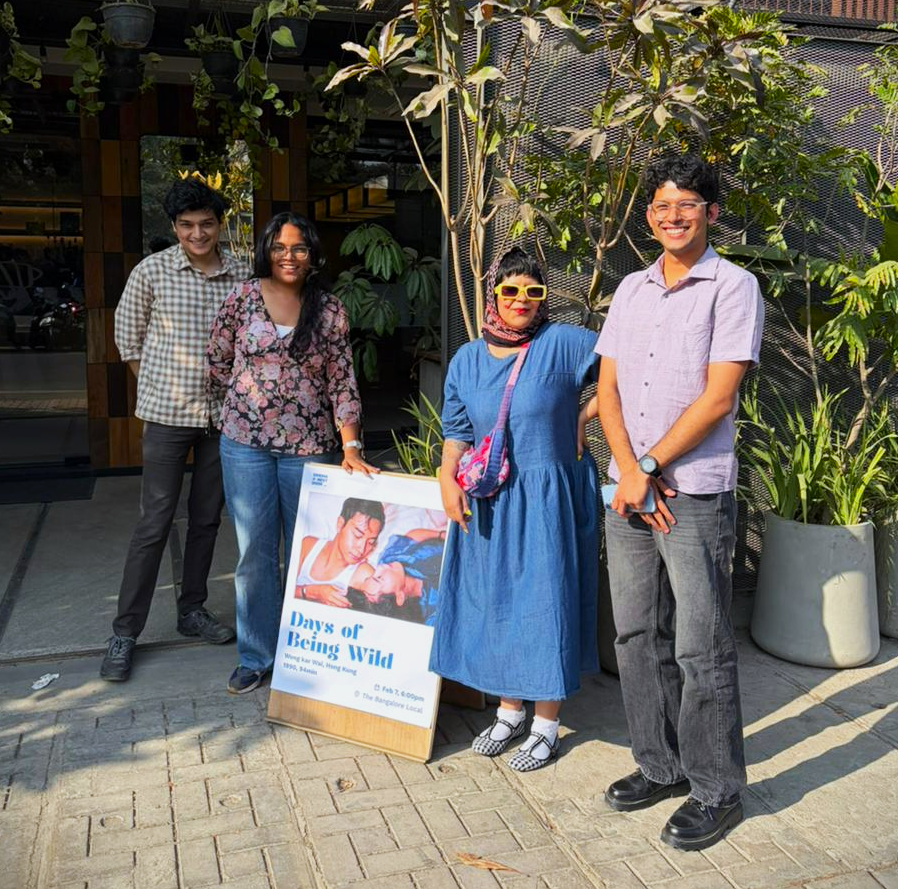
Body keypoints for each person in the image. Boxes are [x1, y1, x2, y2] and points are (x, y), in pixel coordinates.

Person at [583, 153, 763, 850]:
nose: (672, 215)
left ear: (711, 213)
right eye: (661, 205)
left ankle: (717, 788)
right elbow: (609, 389)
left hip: (694, 493)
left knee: (701, 642)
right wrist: (630, 470)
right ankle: (659, 764)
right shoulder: (630, 288)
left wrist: (653, 465)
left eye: (687, 204)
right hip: (632, 488)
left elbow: (719, 396)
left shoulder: (733, 287)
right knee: (634, 633)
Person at [431, 246, 599, 772]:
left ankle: (546, 722)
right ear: (492, 296)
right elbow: (457, 429)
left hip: (548, 497)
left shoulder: (566, 344)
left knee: (546, 603)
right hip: (491, 498)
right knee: (498, 600)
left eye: (534, 291)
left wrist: (586, 412)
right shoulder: (466, 358)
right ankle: (509, 712)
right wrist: (445, 475)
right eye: (510, 291)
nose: (522, 300)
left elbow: (630, 363)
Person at [208, 212, 377, 695]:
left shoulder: (329, 310)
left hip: (309, 449)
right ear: (266, 250)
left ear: (312, 254)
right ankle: (257, 656)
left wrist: (350, 445)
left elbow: (343, 382)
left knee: (311, 553)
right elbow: (218, 361)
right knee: (255, 555)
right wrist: (248, 401)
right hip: (245, 447)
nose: (289, 255)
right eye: (279, 247)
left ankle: (308, 656)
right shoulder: (241, 299)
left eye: (298, 247)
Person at [100, 178, 251, 682]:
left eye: (206, 223)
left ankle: (192, 611)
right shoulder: (153, 271)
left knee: (207, 518)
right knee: (154, 521)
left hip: (222, 419)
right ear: (174, 227)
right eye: (186, 225)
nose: (197, 233)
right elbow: (127, 335)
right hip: (167, 417)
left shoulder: (242, 275)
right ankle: (125, 632)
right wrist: (158, 388)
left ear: (219, 224)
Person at [294, 497, 385, 608]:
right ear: (340, 524)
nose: (361, 549)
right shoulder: (308, 546)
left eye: (370, 542)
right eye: (357, 535)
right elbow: (283, 593)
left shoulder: (365, 575)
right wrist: (312, 592)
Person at [346, 527, 447, 625]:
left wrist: (442, 535)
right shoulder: (435, 612)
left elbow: (411, 536)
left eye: (371, 576)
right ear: (399, 597)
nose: (380, 567)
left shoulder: (389, 558)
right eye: (379, 579)